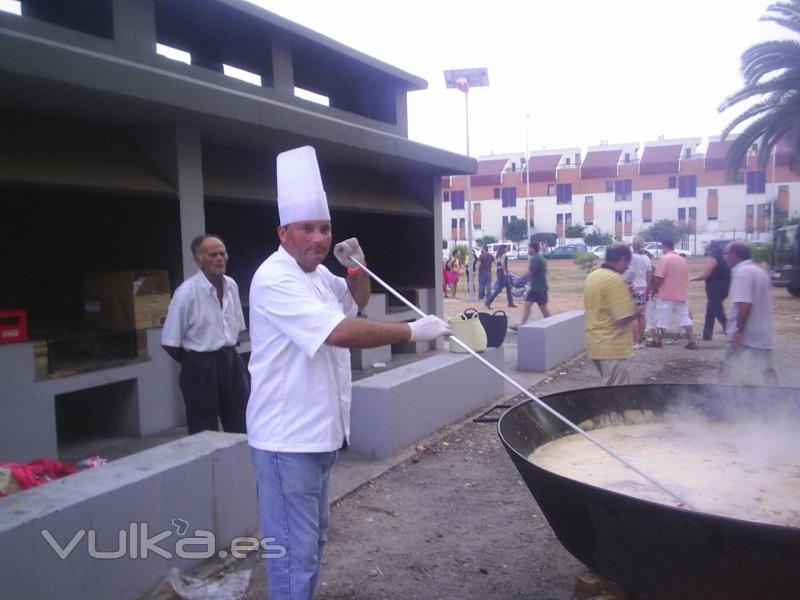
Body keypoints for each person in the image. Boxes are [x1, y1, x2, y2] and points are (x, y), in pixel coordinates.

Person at [247, 146, 452, 600]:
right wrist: (412, 331)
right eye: (307, 229)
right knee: (292, 553)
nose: (318, 238)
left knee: (313, 542)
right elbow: (341, 331)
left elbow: (356, 299)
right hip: (286, 442)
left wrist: (356, 264)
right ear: (283, 232)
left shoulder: (319, 276)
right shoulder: (275, 278)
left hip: (321, 435)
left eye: (324, 228)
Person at [161, 234, 249, 434]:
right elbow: (169, 342)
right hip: (200, 364)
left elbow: (237, 326)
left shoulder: (231, 286)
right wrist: (194, 363)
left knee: (241, 421)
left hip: (230, 360)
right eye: (212, 255)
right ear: (198, 261)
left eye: (222, 253)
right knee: (203, 428)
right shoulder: (186, 293)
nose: (220, 258)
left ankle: (237, 464)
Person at [583, 243, 643, 385]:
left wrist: (626, 292)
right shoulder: (615, 280)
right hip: (611, 348)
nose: (628, 267)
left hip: (595, 343)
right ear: (622, 259)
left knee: (607, 389)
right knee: (616, 396)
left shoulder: (593, 276)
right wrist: (639, 310)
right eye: (627, 263)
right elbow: (623, 318)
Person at [721, 241, 778, 384]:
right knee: (766, 368)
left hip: (746, 332)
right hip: (762, 330)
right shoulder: (759, 271)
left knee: (726, 365)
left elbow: (745, 303)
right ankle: (778, 397)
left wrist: (739, 330)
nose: (725, 258)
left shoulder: (742, 273)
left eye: (726, 254)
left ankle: (718, 397)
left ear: (734, 255)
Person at [648, 238, 697, 349]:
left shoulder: (665, 259)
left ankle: (657, 341)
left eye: (662, 247)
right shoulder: (682, 260)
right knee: (685, 319)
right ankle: (691, 341)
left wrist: (654, 290)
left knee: (662, 319)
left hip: (667, 294)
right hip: (681, 293)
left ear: (665, 246)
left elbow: (659, 277)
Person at [691, 240, 731, 341]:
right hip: (725, 288)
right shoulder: (726, 260)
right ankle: (707, 334)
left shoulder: (713, 260)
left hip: (714, 289)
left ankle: (730, 332)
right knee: (711, 311)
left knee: (718, 312)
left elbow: (706, 275)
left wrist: (693, 278)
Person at [515, 239, 551, 328]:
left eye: (529, 248)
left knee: (543, 309)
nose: (528, 250)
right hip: (537, 287)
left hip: (538, 288)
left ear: (533, 249)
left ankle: (552, 324)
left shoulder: (535, 259)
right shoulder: (539, 258)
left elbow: (530, 272)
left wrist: (519, 279)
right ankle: (521, 324)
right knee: (528, 305)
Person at [627, 237, 652, 348]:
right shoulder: (646, 258)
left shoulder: (632, 257)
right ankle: (641, 340)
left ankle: (635, 341)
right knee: (642, 316)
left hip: (634, 288)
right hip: (644, 287)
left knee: (634, 316)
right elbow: (649, 275)